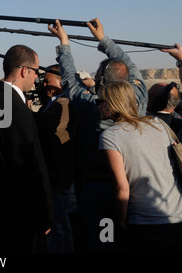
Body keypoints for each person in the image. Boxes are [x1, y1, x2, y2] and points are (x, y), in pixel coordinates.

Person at [48, 18, 148, 252]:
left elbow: (70, 82)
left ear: (102, 82)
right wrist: (103, 39)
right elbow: (129, 64)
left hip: (99, 187)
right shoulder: (140, 95)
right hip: (132, 184)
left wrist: (64, 43)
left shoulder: (95, 106)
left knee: (101, 241)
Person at [0, 45, 52, 253]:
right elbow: (28, 163)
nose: (36, 78)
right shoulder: (16, 108)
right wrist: (44, 213)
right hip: (19, 210)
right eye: (36, 72)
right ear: (25, 71)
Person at [98, 80, 182, 252]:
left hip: (144, 220)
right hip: (176, 213)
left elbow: (121, 186)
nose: (97, 106)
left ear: (111, 103)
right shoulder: (158, 124)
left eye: (99, 101)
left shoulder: (110, 136)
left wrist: (120, 222)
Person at [34, 64, 77, 253]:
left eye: (47, 81)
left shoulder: (64, 103)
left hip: (58, 174)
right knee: (62, 225)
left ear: (60, 81)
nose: (44, 85)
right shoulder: (52, 103)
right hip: (55, 172)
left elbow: (56, 129)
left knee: (55, 227)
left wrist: (29, 116)